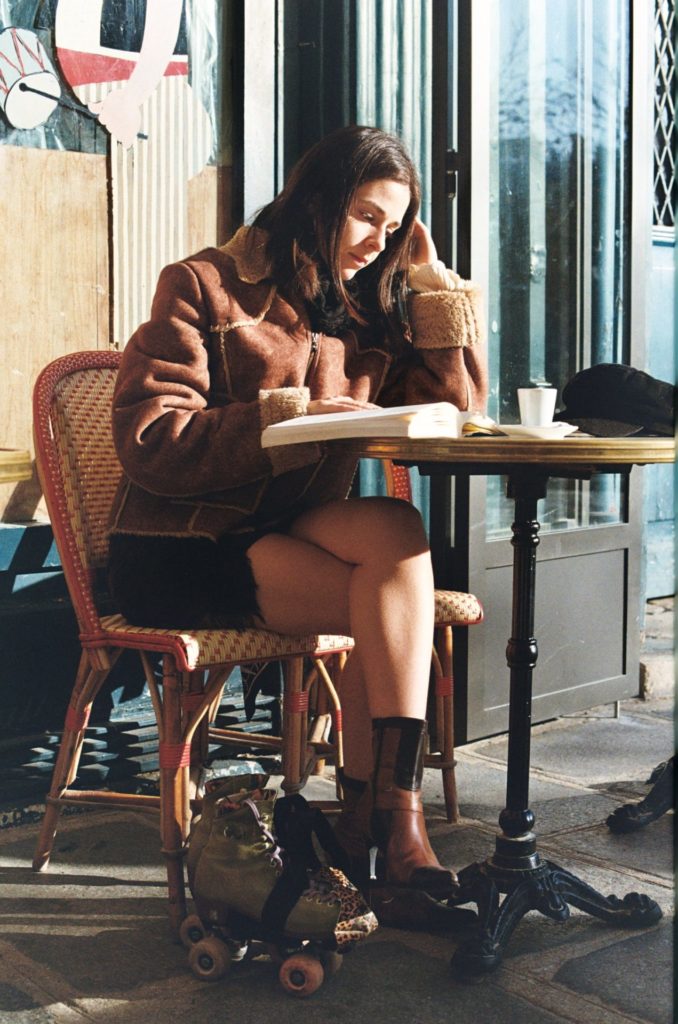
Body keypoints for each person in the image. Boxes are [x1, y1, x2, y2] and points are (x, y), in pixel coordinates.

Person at [107, 124, 488, 910]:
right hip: (185, 543)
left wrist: (430, 281)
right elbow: (151, 441)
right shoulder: (204, 284)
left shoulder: (362, 309)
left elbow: (457, 406)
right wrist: (283, 419)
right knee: (383, 602)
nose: (377, 242)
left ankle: (375, 819)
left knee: (393, 533)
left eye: (393, 228)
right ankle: (386, 827)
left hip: (285, 529)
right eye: (365, 218)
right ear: (316, 200)